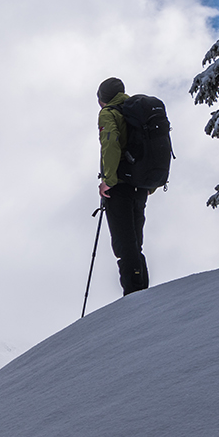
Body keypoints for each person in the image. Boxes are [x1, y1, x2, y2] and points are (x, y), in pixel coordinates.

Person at [96, 76, 149, 295]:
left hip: (120, 185)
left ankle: (134, 295)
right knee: (135, 243)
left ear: (103, 99)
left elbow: (110, 143)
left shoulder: (109, 113)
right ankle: (141, 289)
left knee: (124, 245)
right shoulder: (136, 111)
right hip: (140, 185)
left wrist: (108, 181)